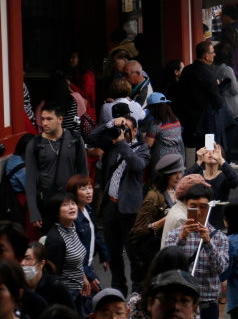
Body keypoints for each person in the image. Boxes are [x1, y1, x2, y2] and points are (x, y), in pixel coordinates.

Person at [96, 114, 150, 295]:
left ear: (135, 131)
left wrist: (122, 143)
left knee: (134, 253)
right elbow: (92, 137)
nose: (123, 130)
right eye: (122, 127)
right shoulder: (112, 144)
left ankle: (137, 290)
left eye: (127, 128)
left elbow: (137, 166)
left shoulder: (142, 149)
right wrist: (111, 124)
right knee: (113, 253)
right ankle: (118, 289)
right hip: (110, 206)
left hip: (129, 209)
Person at [25, 101, 88, 230]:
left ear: (60, 119)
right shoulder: (35, 143)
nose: (44, 123)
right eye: (42, 119)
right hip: (47, 202)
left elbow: (83, 173)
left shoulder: (75, 139)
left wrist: (83, 202)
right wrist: (33, 211)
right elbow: (30, 179)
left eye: (49, 119)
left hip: (70, 199)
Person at [128, 155, 184, 283]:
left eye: (179, 172)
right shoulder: (153, 197)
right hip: (155, 251)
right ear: (165, 175)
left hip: (175, 245)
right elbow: (139, 230)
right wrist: (165, 220)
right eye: (174, 173)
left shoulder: (178, 191)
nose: (178, 176)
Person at [65, 174, 109, 295]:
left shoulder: (88, 209)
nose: (89, 192)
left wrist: (104, 254)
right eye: (83, 189)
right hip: (80, 271)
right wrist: (89, 276)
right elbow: (75, 254)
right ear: (74, 193)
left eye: (90, 188)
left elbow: (94, 233)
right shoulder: (74, 218)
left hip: (88, 266)